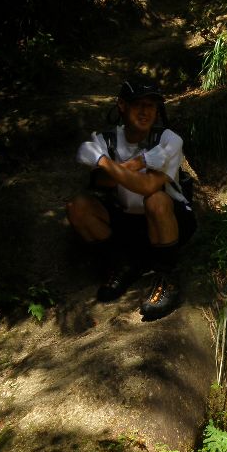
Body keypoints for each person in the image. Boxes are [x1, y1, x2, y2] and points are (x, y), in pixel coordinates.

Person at [66, 77, 196, 321]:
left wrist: (104, 161)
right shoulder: (107, 140)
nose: (146, 111)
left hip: (170, 218)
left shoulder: (169, 140)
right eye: (139, 104)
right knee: (78, 208)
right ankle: (124, 265)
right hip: (127, 221)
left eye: (152, 105)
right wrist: (141, 162)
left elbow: (148, 186)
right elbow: (101, 182)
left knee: (155, 199)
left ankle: (167, 277)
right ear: (122, 106)